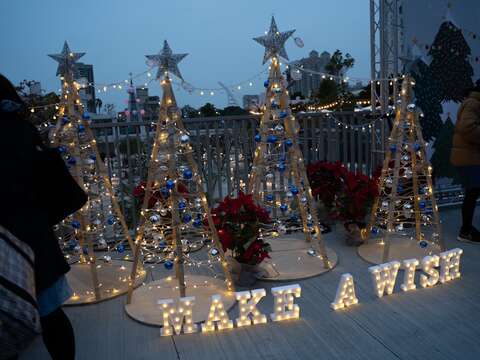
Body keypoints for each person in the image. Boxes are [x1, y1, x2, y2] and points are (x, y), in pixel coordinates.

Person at [0, 74, 85, 359]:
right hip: (35, 234)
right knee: (51, 313)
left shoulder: (12, 130)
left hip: (13, 236)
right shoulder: (22, 127)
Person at [451, 80, 480, 243]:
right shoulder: (473, 103)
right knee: (472, 192)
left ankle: (467, 230)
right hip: (469, 158)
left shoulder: (474, 102)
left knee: (473, 192)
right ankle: (466, 231)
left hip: (470, 156)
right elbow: (467, 128)